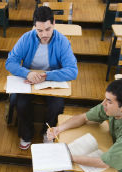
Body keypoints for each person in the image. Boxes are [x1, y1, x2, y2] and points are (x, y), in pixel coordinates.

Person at [5, 6, 78, 150]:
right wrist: (27, 73)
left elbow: (72, 71)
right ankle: (26, 134)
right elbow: (10, 62)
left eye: (48, 29)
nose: (44, 34)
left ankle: (47, 132)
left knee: (57, 105)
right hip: (29, 80)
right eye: (39, 30)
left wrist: (47, 76)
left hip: (51, 80)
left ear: (54, 23)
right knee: (21, 104)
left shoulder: (62, 41)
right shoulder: (26, 38)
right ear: (34, 27)